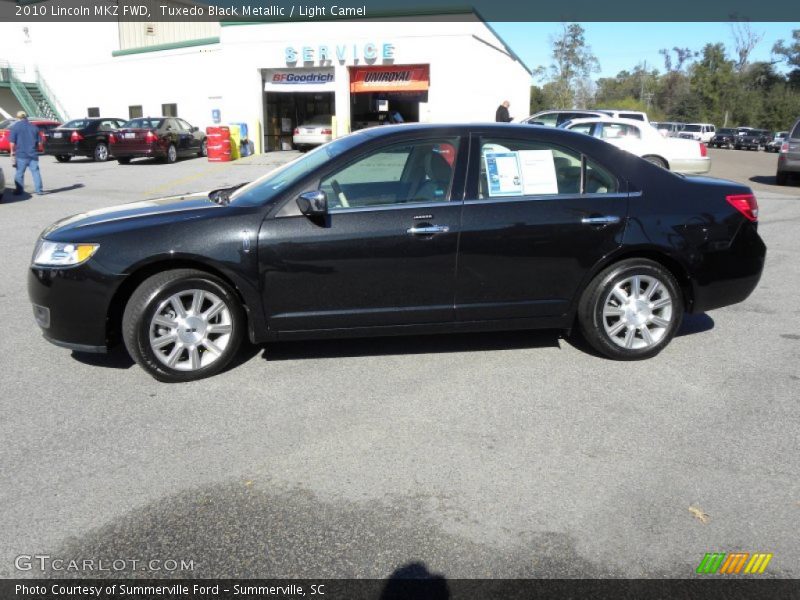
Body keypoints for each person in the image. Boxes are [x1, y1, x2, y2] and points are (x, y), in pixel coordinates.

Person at [9, 111, 44, 195]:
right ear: (26, 117)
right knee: (36, 172)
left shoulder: (15, 127)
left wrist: (12, 152)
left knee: (19, 173)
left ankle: (19, 190)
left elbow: (12, 142)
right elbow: (40, 143)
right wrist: (36, 148)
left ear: (18, 118)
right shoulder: (34, 127)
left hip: (21, 154)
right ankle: (39, 190)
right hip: (33, 154)